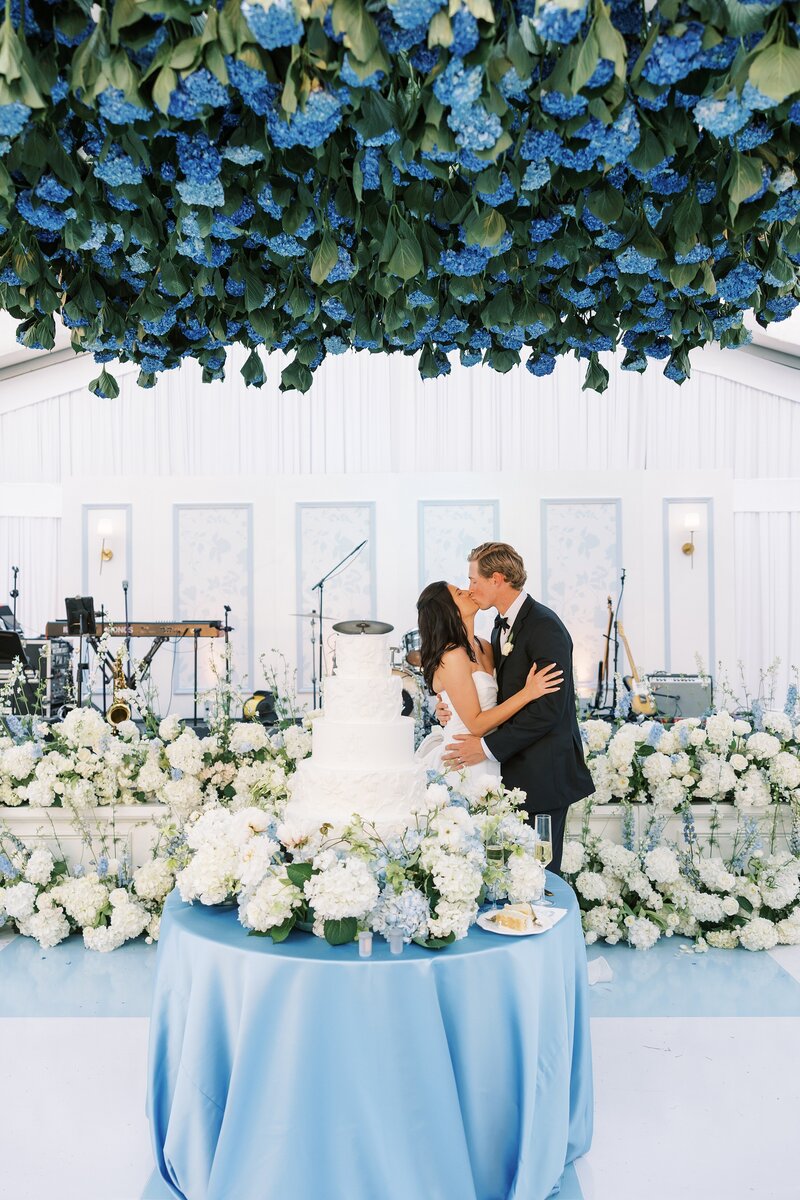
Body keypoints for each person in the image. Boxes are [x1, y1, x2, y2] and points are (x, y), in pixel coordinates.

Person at [440, 542, 594, 875]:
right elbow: (492, 692)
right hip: (511, 774)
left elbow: (548, 710)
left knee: (540, 877)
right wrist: (448, 705)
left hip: (543, 775)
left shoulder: (544, 626)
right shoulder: (500, 626)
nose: (470, 588)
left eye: (474, 580)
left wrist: (485, 747)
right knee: (511, 877)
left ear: (496, 579)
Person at [414, 580, 563, 788]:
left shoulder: (485, 645)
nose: (468, 591)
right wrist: (528, 693)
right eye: (459, 593)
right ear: (449, 611)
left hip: (493, 754)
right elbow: (476, 725)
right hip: (463, 758)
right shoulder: (452, 657)